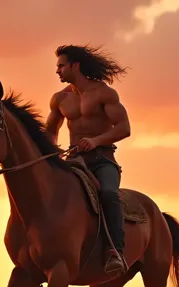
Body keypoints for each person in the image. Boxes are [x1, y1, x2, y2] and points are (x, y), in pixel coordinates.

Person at [45, 44, 131, 274]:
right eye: (57, 67)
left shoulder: (104, 93)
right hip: (75, 161)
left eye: (61, 66)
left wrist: (96, 140)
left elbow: (124, 128)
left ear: (76, 65)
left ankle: (116, 252)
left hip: (103, 160)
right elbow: (50, 131)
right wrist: (51, 151)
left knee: (108, 194)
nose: (58, 71)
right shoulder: (59, 99)